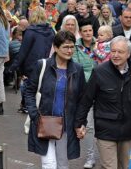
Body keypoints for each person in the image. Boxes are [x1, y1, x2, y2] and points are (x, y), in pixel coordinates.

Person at [75, 36, 131, 169]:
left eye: (120, 52)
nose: (116, 55)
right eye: (113, 51)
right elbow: (86, 99)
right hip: (106, 128)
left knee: (123, 166)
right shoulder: (99, 71)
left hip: (127, 128)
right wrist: (80, 123)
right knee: (110, 166)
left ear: (128, 54)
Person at [25, 31, 87, 168]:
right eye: (66, 47)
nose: (70, 50)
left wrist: (81, 123)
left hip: (67, 125)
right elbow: (29, 91)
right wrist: (35, 115)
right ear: (56, 47)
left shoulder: (78, 69)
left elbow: (82, 100)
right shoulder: (42, 65)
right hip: (44, 122)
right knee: (49, 165)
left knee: (63, 164)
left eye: (72, 47)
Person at [10, 7, 55, 114]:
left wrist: (13, 66)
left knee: (28, 87)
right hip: (47, 63)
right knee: (42, 88)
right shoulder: (51, 31)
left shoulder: (30, 31)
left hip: (32, 65)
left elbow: (23, 51)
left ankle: (29, 108)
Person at [72, 19, 98, 168]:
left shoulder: (101, 44)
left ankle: (108, 154)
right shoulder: (76, 48)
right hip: (84, 91)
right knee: (88, 127)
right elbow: (76, 67)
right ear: (80, 33)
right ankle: (90, 157)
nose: (88, 33)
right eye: (85, 31)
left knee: (102, 124)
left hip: (101, 90)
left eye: (90, 30)